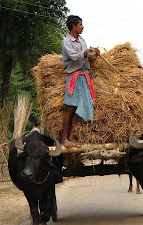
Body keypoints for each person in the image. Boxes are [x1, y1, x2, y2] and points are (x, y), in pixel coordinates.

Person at [61, 15, 100, 148]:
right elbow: (73, 56)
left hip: (84, 76)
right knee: (70, 108)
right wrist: (87, 52)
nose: (83, 27)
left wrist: (94, 55)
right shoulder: (67, 41)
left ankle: (71, 138)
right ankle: (64, 139)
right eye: (80, 25)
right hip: (74, 77)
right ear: (73, 26)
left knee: (80, 107)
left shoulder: (82, 40)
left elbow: (87, 58)